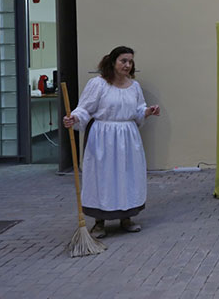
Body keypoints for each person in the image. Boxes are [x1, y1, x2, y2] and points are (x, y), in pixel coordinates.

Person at [63, 46, 161, 238]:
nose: (127, 65)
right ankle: (99, 222)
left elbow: (138, 111)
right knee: (103, 177)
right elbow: (84, 109)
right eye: (123, 60)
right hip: (103, 138)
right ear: (113, 61)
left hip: (127, 137)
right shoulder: (98, 84)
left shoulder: (134, 87)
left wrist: (148, 111)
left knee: (127, 175)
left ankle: (127, 218)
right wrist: (74, 118)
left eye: (130, 61)